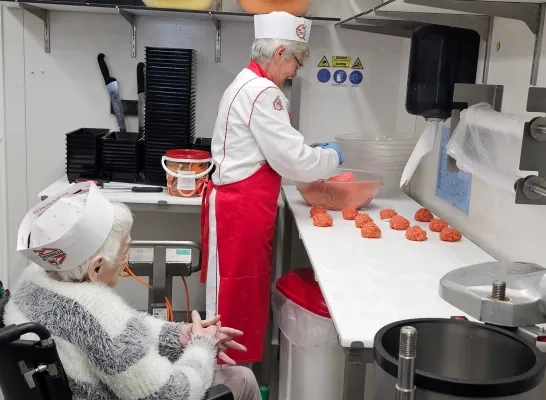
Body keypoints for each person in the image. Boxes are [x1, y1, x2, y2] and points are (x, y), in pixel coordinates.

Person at [3, 182, 261, 400]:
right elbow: (174, 394)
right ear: (96, 268)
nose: (126, 261)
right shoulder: (99, 315)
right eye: (125, 249)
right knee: (244, 379)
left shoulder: (32, 283)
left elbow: (122, 334)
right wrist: (203, 345)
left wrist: (180, 336)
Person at [200, 10, 343, 366]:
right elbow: (292, 161)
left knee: (239, 293)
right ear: (280, 53)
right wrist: (330, 158)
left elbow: (278, 148)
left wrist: (310, 152)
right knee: (233, 299)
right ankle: (224, 381)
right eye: (298, 60)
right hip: (241, 211)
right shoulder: (265, 92)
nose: (298, 69)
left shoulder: (247, 83)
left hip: (241, 209)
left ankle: (234, 378)